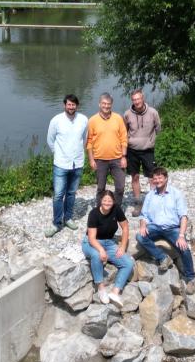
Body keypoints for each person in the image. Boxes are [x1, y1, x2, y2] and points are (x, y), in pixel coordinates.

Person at [136, 167, 195, 294]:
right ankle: (163, 257)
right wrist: (142, 226)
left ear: (166, 178)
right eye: (155, 178)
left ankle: (191, 278)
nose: (157, 180)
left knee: (184, 248)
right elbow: (144, 215)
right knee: (140, 237)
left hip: (172, 228)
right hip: (155, 227)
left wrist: (181, 235)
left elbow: (183, 216)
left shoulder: (176, 194)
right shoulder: (150, 195)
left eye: (160, 177)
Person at [46, 93, 88, 237]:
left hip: (77, 162)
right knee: (58, 195)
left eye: (73, 104)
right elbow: (50, 140)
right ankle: (57, 223)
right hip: (61, 163)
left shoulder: (83, 120)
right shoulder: (56, 120)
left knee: (71, 193)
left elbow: (85, 139)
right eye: (69, 104)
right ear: (64, 105)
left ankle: (68, 218)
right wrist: (58, 154)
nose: (71, 107)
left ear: (77, 105)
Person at [82, 190, 133, 307]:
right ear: (101, 201)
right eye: (104, 200)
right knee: (96, 255)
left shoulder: (116, 209)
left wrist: (123, 246)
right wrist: (101, 250)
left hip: (109, 243)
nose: (107, 203)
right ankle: (100, 288)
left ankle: (115, 292)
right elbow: (91, 238)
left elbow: (125, 227)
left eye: (110, 201)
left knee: (128, 263)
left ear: (113, 202)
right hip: (91, 242)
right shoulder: (94, 214)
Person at [122, 89, 160, 216]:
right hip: (132, 150)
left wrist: (150, 140)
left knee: (152, 177)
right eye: (134, 99)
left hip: (148, 150)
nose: (136, 101)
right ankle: (138, 204)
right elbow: (124, 131)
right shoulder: (127, 114)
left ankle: (154, 203)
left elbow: (158, 128)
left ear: (143, 98)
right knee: (135, 177)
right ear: (132, 100)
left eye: (138, 99)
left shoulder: (153, 112)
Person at [87, 93, 128, 209]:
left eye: (108, 104)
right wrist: (91, 159)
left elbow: (124, 138)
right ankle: (100, 210)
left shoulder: (118, 118)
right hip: (100, 160)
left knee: (120, 187)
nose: (106, 106)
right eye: (104, 104)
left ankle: (117, 209)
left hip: (117, 158)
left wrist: (124, 156)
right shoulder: (92, 120)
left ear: (111, 105)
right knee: (100, 188)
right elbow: (89, 142)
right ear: (99, 104)